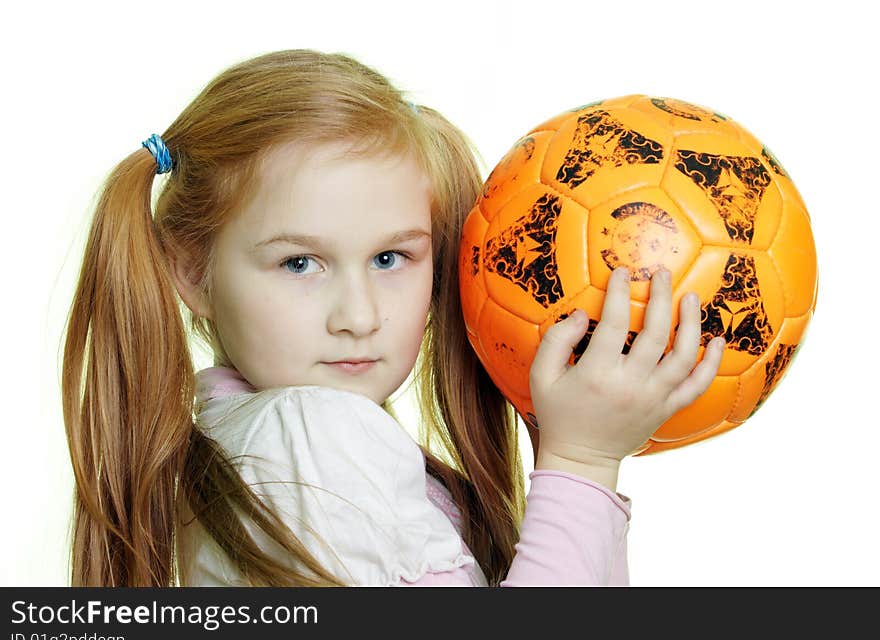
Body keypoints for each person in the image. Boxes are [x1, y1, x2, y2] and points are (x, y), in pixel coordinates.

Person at [61, 49, 725, 587]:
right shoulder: (308, 438)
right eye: (299, 263)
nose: (358, 316)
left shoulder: (255, 444)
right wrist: (582, 461)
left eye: (389, 257)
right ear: (190, 270)